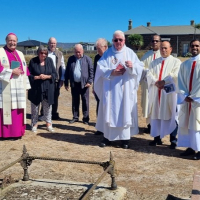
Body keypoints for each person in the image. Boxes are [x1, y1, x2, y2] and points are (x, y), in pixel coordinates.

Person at [94, 30, 144, 149]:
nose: (118, 42)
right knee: (109, 112)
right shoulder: (107, 53)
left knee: (124, 111)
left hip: (125, 90)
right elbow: (100, 68)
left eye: (120, 40)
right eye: (115, 40)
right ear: (112, 41)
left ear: (124, 40)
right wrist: (112, 72)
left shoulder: (130, 53)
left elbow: (140, 67)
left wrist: (132, 67)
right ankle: (107, 138)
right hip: (110, 91)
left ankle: (125, 139)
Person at [147, 41, 181, 149]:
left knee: (172, 115)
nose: (163, 50)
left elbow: (176, 74)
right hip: (156, 93)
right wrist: (156, 82)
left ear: (171, 49)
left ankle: (173, 140)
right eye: (162, 48)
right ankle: (157, 138)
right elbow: (149, 73)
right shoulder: (154, 62)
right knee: (156, 115)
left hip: (169, 94)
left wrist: (164, 81)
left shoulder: (176, 62)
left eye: (166, 48)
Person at [0, 33, 30, 140]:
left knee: (18, 110)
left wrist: (26, 86)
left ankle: (17, 132)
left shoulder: (20, 54)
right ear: (6, 40)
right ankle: (6, 134)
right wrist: (12, 71)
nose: (12, 43)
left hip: (19, 87)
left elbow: (26, 71)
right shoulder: (0, 52)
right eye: (10, 40)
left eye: (14, 41)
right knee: (6, 110)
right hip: (6, 86)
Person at [177, 39, 200, 159]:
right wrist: (184, 95)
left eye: (197, 46)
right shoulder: (184, 64)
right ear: (189, 48)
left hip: (198, 101)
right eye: (192, 46)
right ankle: (191, 147)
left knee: (197, 124)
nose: (194, 48)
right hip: (187, 100)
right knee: (187, 123)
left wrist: (195, 96)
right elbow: (180, 81)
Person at [28, 45, 57, 133]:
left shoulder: (50, 60)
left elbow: (55, 74)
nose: (43, 55)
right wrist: (37, 77)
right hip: (36, 88)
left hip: (48, 88)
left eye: (45, 53)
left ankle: (48, 123)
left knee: (47, 107)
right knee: (35, 108)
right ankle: (34, 124)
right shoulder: (33, 61)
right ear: (38, 53)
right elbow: (28, 75)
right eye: (42, 53)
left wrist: (47, 76)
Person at [65, 44, 93, 125]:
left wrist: (90, 81)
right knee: (75, 101)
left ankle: (86, 118)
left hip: (84, 84)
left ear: (82, 51)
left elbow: (91, 71)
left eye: (79, 52)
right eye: (76, 52)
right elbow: (67, 71)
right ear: (74, 52)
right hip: (74, 84)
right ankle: (75, 117)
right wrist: (66, 82)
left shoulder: (87, 59)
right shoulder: (71, 59)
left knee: (85, 101)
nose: (78, 54)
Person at [40, 37, 65, 120]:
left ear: (56, 44)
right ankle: (43, 114)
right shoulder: (44, 52)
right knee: (44, 96)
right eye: (51, 43)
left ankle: (53, 113)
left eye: (54, 43)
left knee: (55, 96)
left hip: (56, 79)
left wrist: (62, 79)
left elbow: (63, 67)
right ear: (48, 43)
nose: (52, 45)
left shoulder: (60, 54)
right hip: (45, 78)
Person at [140, 35, 161, 133]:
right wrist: (147, 72)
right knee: (148, 105)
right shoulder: (146, 55)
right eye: (153, 41)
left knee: (158, 105)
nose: (155, 43)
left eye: (157, 41)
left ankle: (159, 126)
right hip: (148, 86)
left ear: (160, 42)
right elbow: (140, 68)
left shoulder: (163, 54)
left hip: (159, 86)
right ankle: (149, 125)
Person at [93, 38, 108, 135]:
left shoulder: (110, 56)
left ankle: (107, 127)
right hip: (99, 85)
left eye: (99, 49)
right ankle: (100, 127)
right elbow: (95, 73)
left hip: (108, 85)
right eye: (97, 49)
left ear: (105, 47)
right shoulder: (96, 58)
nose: (98, 51)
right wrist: (94, 86)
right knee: (99, 105)